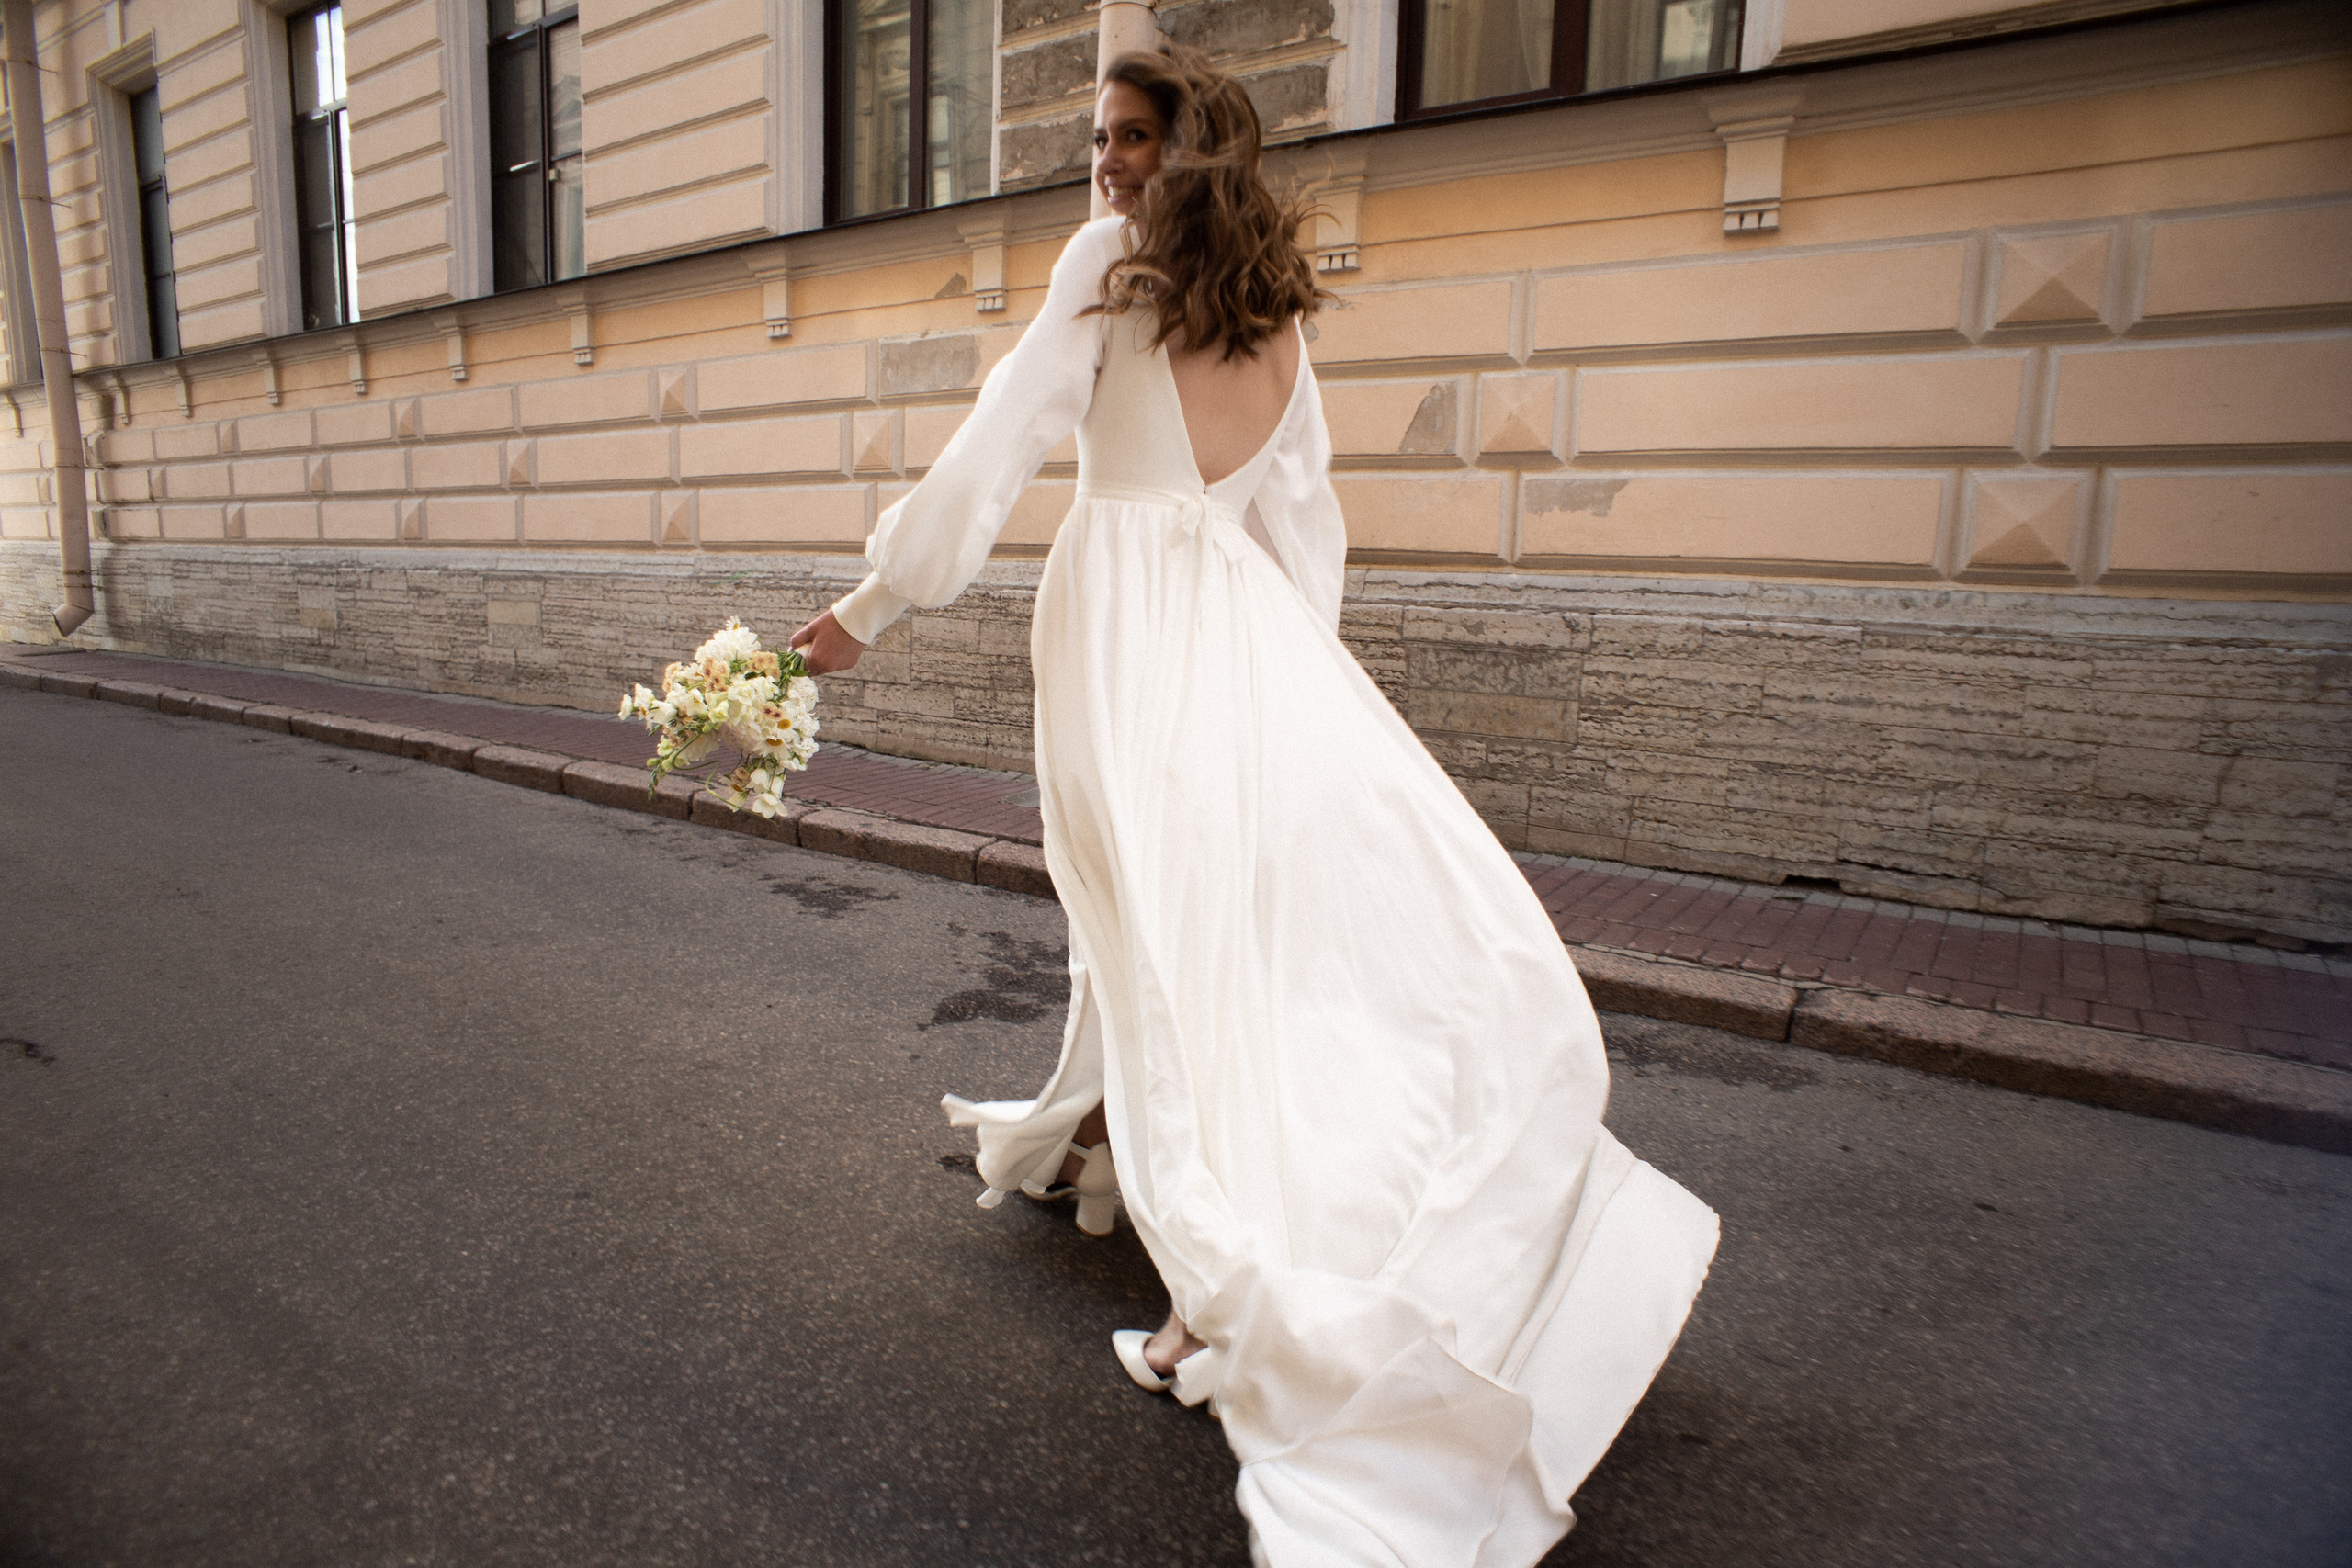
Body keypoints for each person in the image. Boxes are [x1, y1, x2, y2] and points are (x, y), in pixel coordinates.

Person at [790, 45, 1719, 1568]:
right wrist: (1294, 695)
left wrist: (864, 616)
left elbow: (992, 456)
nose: (1103, 163)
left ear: (1188, 150)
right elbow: (1306, 524)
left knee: (1160, 940)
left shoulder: (1108, 266)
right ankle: (1104, 1145)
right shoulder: (1276, 313)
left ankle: (1207, 1301)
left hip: (1131, 646)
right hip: (1250, 650)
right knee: (1205, 935)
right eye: (1096, 137)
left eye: (1130, 137)